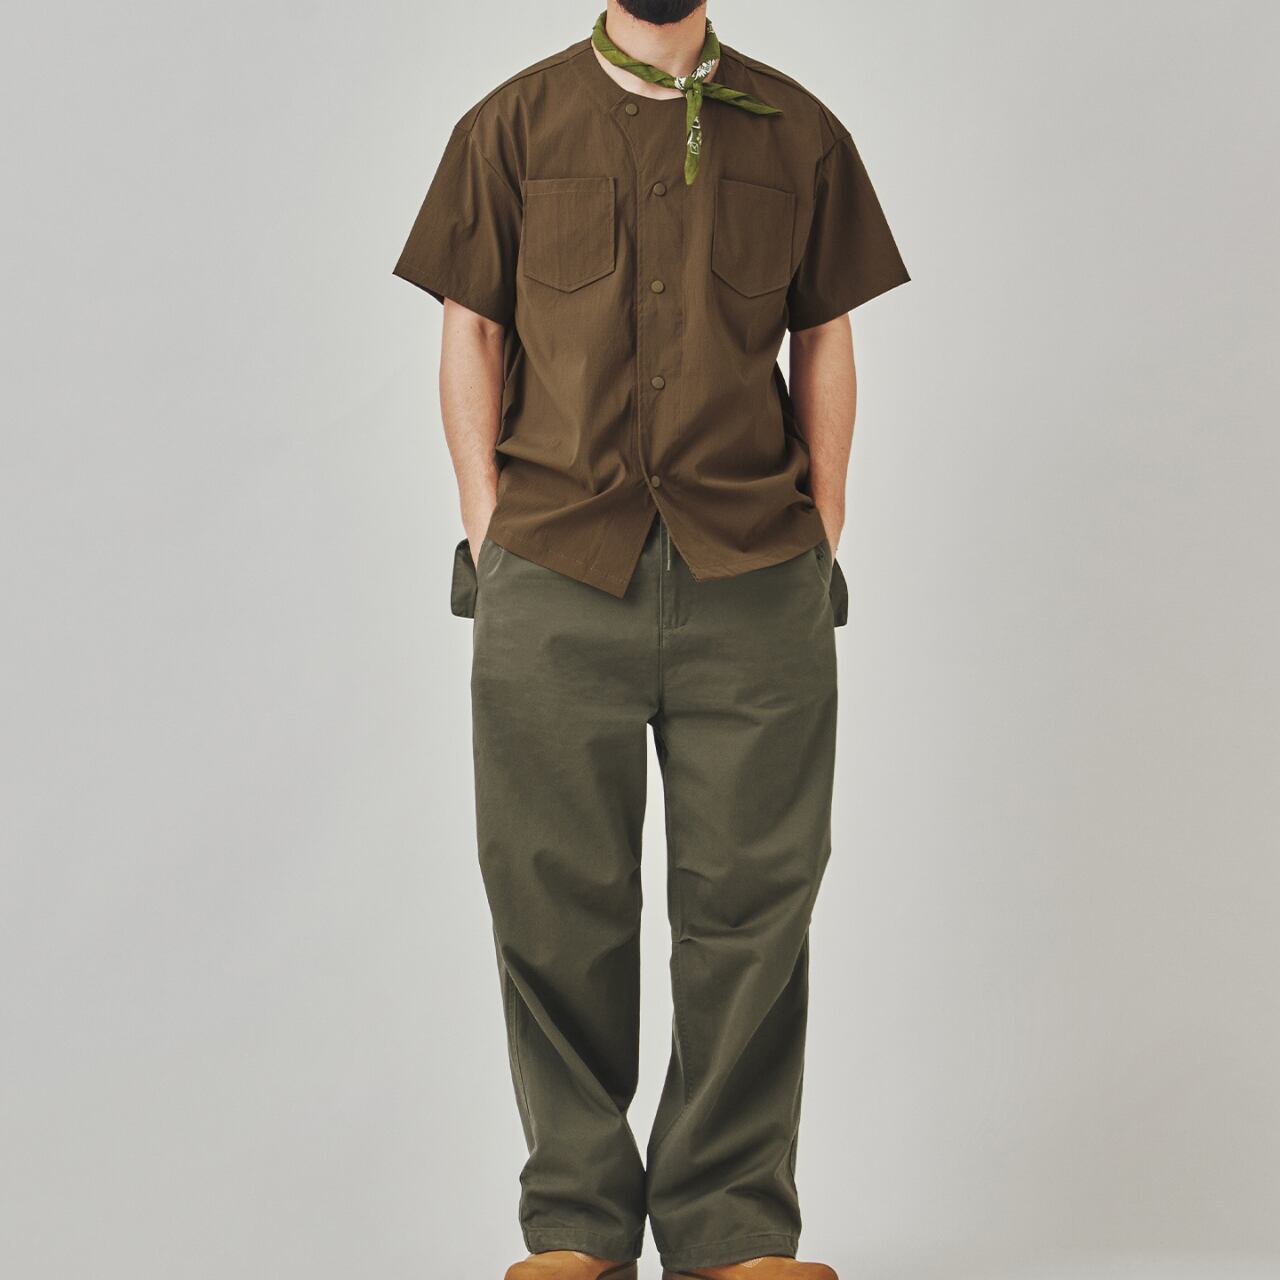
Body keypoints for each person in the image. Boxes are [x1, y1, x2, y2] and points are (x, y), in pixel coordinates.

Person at [392, 2, 908, 1277]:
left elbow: (824, 332)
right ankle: (574, 1223)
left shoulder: (799, 131)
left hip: (755, 573)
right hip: (556, 566)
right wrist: (488, 524)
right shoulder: (509, 126)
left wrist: (820, 526)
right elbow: (470, 326)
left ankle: (732, 1226)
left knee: (754, 904)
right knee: (551, 897)